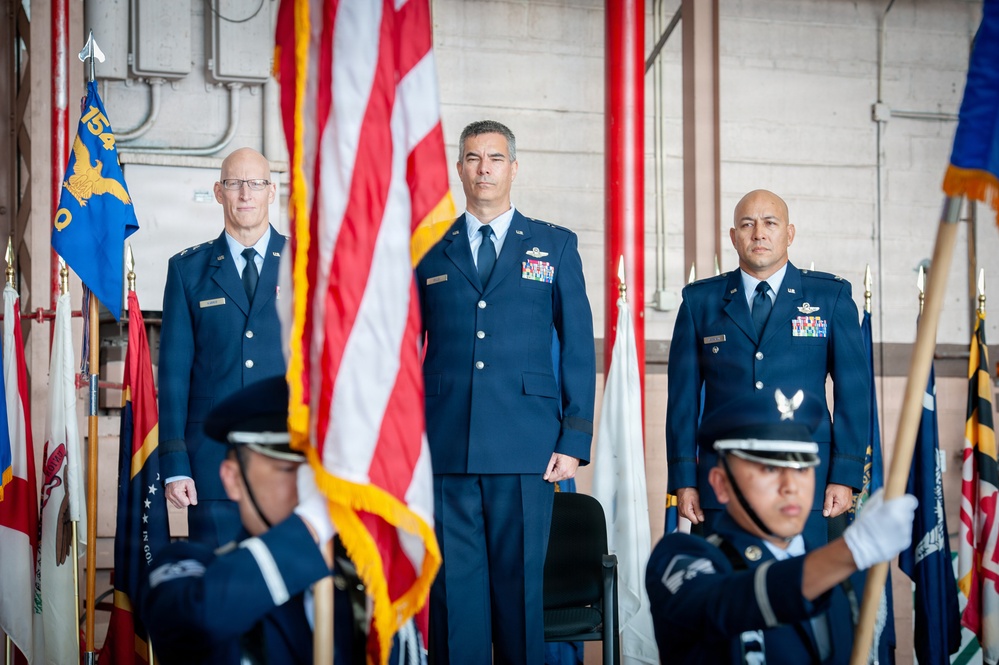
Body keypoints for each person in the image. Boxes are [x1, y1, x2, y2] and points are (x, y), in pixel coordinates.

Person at [415, 119, 596, 664]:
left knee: (521, 598)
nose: (484, 168)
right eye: (472, 158)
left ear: (513, 168)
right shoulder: (428, 249)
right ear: (459, 169)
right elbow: (404, 347)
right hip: (447, 445)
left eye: (495, 158)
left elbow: (580, 346)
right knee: (455, 602)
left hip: (529, 447)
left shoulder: (555, 246)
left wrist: (574, 436)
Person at [141, 376, 426, 665]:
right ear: (233, 478)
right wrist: (311, 522)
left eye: (318, 472)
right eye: (289, 469)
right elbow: (194, 623)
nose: (310, 488)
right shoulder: (190, 569)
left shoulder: (365, 583)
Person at [646, 389, 917, 664]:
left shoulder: (846, 574)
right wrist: (850, 552)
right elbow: (719, 604)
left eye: (802, 469)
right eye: (770, 469)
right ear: (721, 483)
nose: (791, 487)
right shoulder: (682, 558)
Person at [665, 189, 870, 541]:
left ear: (789, 234)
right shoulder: (700, 302)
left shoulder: (829, 297)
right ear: (734, 237)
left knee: (799, 591)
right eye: (747, 224)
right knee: (730, 593)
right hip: (723, 484)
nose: (759, 233)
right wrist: (684, 480)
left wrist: (845, 474)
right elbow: (682, 401)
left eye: (770, 223)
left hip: (806, 483)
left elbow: (854, 393)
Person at [158, 147, 287, 548]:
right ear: (218, 192)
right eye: (234, 183)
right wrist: (176, 465)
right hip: (211, 461)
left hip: (288, 459)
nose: (245, 194)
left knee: (285, 594)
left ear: (272, 191)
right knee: (218, 587)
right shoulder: (187, 270)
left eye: (256, 183)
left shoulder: (306, 262)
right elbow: (174, 375)